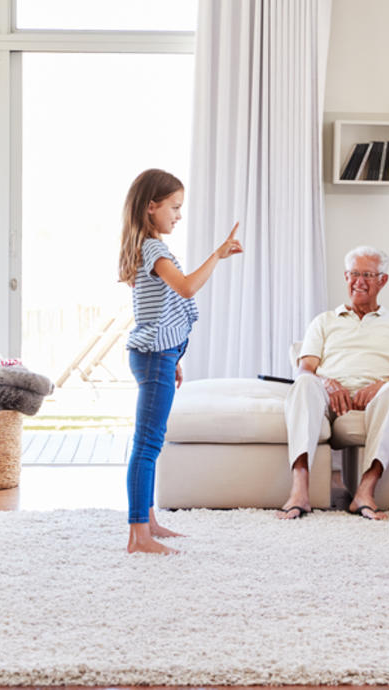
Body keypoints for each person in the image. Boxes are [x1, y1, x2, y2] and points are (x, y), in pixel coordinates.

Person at [118, 169, 242, 554]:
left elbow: (160, 311)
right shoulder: (154, 249)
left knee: (149, 443)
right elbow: (185, 287)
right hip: (155, 356)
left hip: (160, 355)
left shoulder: (148, 245)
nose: (179, 215)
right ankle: (138, 535)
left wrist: (173, 357)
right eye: (174, 207)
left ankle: (148, 521)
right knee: (147, 444)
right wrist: (218, 254)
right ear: (151, 206)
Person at [278, 245, 389, 520]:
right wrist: (328, 382)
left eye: (368, 274)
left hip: (378, 397)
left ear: (383, 280)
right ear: (345, 277)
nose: (359, 281)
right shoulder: (324, 321)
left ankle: (365, 491)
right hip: (330, 394)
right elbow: (305, 369)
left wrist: (381, 385)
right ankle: (299, 490)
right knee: (305, 383)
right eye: (354, 273)